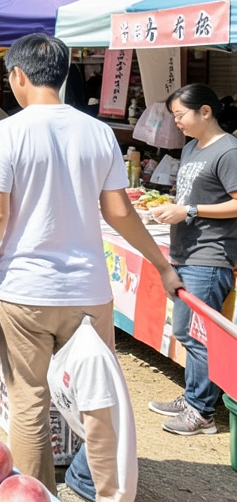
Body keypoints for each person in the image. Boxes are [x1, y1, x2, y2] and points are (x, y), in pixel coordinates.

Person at [0, 33, 183, 495]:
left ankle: (32, 492)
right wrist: (161, 265)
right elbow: (119, 211)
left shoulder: (6, 132)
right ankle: (103, 490)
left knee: (29, 402)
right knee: (95, 398)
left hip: (24, 290)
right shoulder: (99, 132)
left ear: (18, 76)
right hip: (88, 291)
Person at [144, 84, 237, 437]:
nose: (177, 122)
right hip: (186, 251)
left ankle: (202, 411)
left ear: (205, 112)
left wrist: (190, 209)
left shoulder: (228, 151)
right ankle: (193, 398)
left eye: (180, 115)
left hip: (210, 255)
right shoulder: (191, 148)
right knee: (188, 331)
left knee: (195, 333)